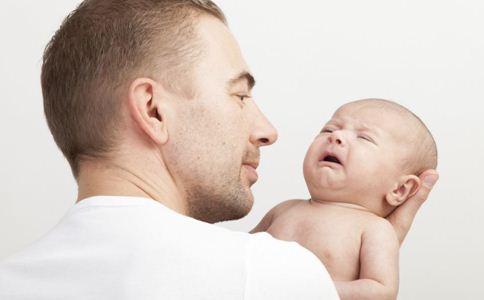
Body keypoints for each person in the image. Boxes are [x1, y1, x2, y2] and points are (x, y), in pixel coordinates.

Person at [0, 1, 438, 299]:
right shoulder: (261, 277)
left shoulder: (13, 281)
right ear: (153, 110)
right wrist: (302, 281)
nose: (268, 131)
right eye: (240, 96)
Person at [251, 99, 438, 300]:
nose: (336, 136)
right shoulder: (283, 210)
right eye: (328, 130)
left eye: (364, 138)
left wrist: (309, 290)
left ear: (400, 189)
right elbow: (237, 249)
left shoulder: (375, 229)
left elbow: (382, 291)